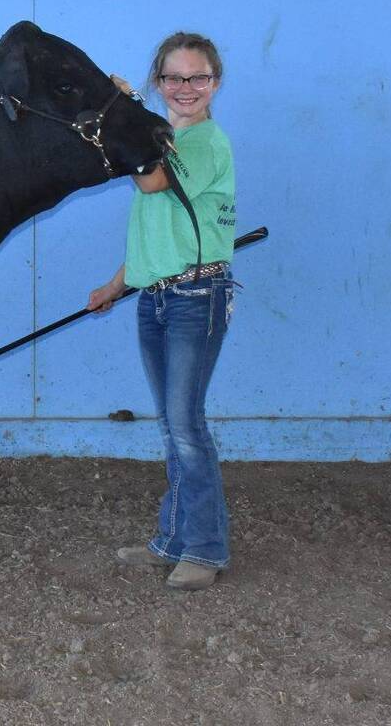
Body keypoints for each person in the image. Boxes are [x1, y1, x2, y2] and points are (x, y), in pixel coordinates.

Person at [86, 32, 237, 591]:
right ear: (159, 82)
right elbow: (157, 236)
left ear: (215, 83)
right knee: (175, 427)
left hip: (197, 297)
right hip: (155, 296)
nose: (185, 87)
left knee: (186, 426)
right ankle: (173, 539)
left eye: (198, 77)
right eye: (174, 77)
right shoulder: (167, 138)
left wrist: (121, 115)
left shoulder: (204, 143)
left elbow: (151, 182)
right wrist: (114, 286)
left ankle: (206, 549)